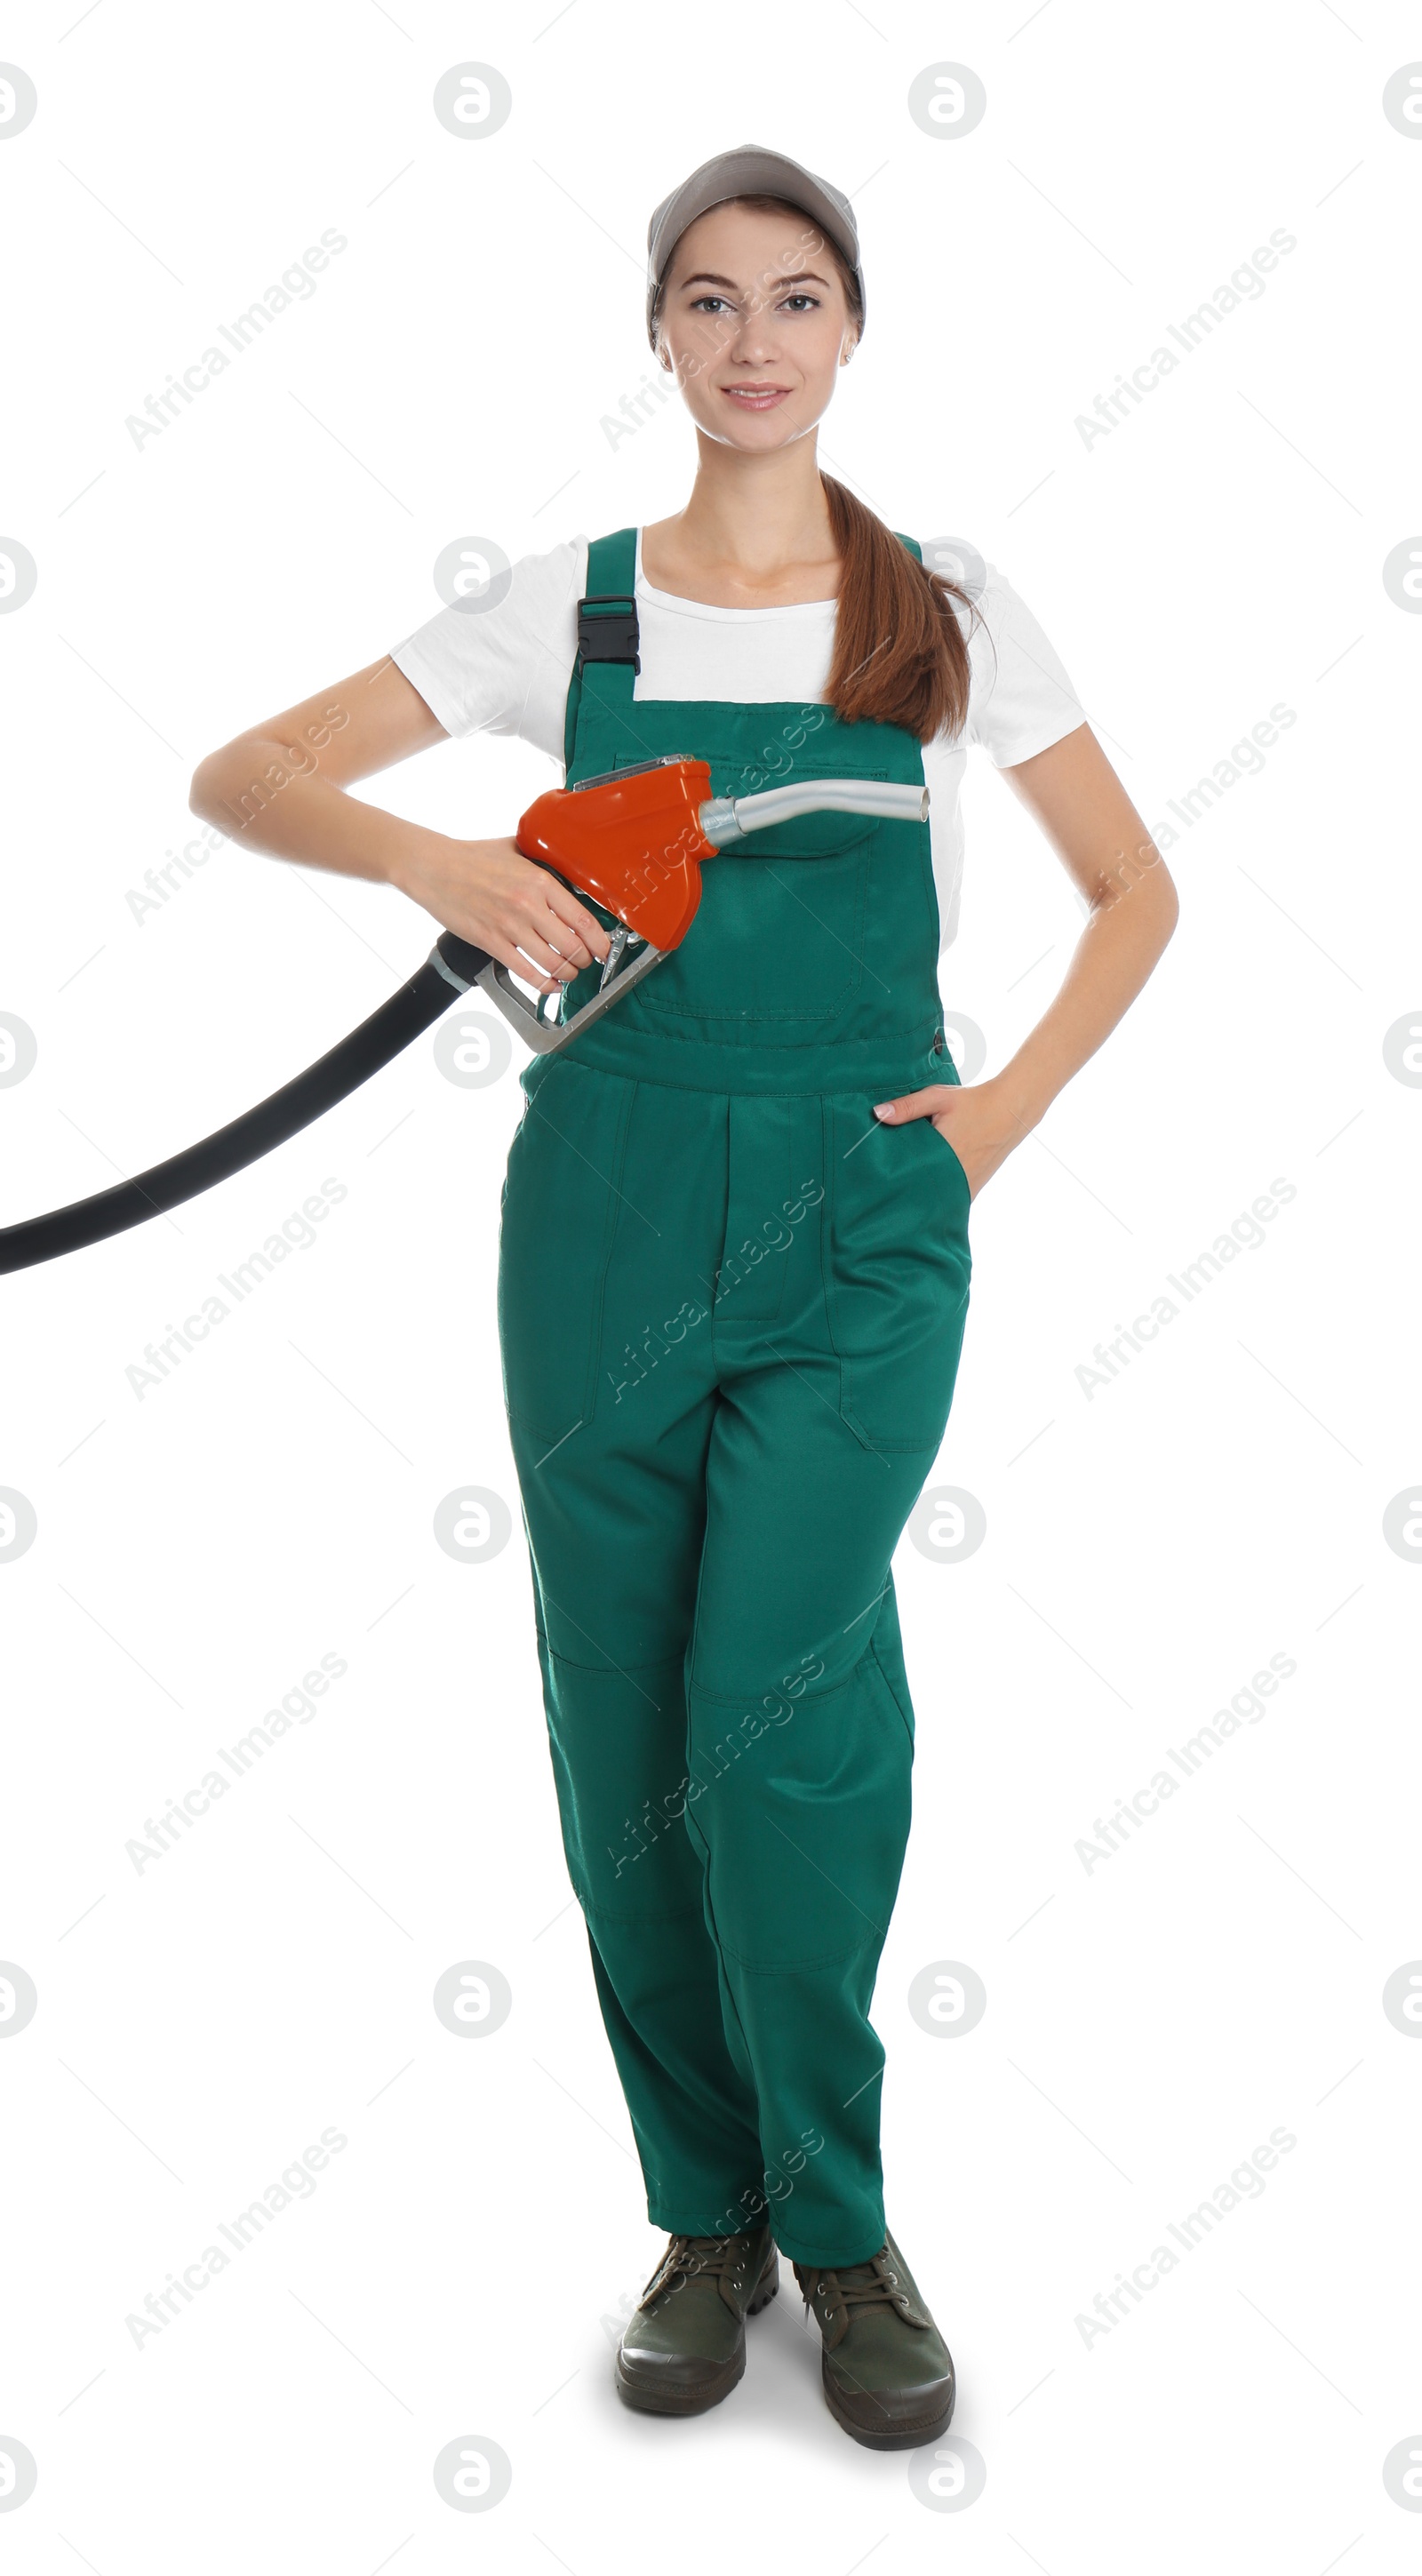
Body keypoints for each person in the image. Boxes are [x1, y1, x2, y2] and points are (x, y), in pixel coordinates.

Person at [189, 143, 1178, 2452]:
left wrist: (1008, 1108)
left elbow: (1134, 887)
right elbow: (244, 769)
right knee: (625, 1710)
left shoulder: (938, 601)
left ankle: (843, 2222)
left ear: (852, 334)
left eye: (797, 298)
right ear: (661, 335)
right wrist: (436, 848)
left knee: (783, 1690)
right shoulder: (576, 614)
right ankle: (700, 2215)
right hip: (609, 1206)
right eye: (711, 300)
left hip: (864, 1209)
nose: (753, 341)